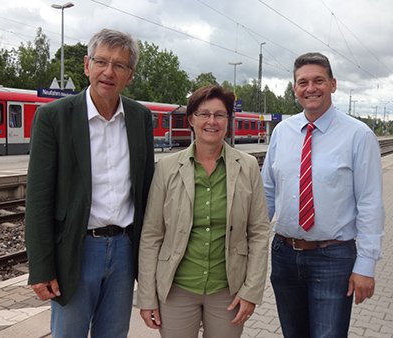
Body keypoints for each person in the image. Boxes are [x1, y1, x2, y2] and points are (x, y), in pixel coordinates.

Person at [25, 28, 154, 338]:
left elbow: (147, 188)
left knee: (114, 334)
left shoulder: (139, 118)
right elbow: (39, 198)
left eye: (119, 65)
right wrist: (41, 268)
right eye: (101, 62)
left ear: (130, 75)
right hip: (76, 249)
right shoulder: (53, 118)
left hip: (124, 251)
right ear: (86, 65)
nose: (108, 72)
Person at [261, 52, 385, 338]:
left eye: (319, 80)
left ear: (333, 84)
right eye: (302, 82)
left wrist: (365, 265)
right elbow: (267, 192)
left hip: (334, 257)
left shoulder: (358, 135)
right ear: (294, 89)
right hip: (283, 255)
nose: (310, 88)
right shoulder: (282, 132)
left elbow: (370, 204)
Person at [137, 85, 271, 338]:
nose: (212, 121)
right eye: (204, 114)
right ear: (191, 120)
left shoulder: (248, 166)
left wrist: (251, 291)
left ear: (228, 121)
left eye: (220, 115)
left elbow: (259, 232)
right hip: (176, 289)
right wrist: (146, 296)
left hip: (228, 291)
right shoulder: (166, 168)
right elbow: (152, 235)